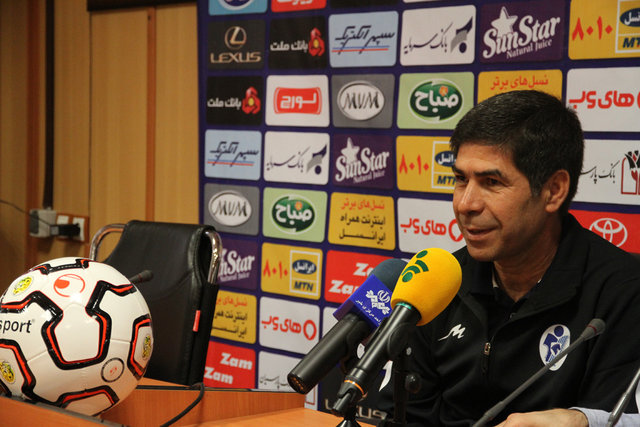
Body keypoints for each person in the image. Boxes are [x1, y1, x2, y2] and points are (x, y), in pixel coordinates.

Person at [375, 90, 640, 426]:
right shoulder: (437, 283)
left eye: (491, 182)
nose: (466, 204)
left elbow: (614, 418)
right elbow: (405, 417)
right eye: (460, 180)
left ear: (554, 190)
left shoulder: (622, 292)